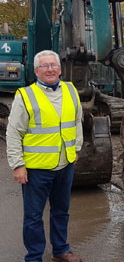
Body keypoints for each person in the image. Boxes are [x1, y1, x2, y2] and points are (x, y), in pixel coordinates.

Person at [6, 50, 83, 262]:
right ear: (37, 71)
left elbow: (77, 122)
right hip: (36, 169)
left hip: (64, 165)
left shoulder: (70, 90)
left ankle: (61, 250)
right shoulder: (26, 96)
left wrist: (76, 148)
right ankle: (34, 257)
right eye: (44, 66)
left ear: (60, 68)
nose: (50, 69)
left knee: (61, 211)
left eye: (53, 65)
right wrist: (18, 165)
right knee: (33, 217)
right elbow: (14, 133)